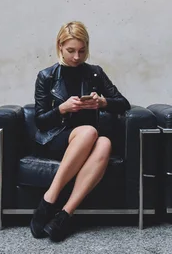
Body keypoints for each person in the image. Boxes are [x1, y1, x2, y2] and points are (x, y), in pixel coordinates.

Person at [30, 21, 131, 242]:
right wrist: (61, 108)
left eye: (82, 51)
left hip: (89, 140)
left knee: (104, 142)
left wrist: (103, 102)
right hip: (57, 139)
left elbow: (124, 103)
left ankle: (64, 214)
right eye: (71, 51)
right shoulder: (46, 76)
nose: (77, 57)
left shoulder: (95, 73)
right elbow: (40, 121)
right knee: (88, 132)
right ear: (59, 46)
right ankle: (50, 198)